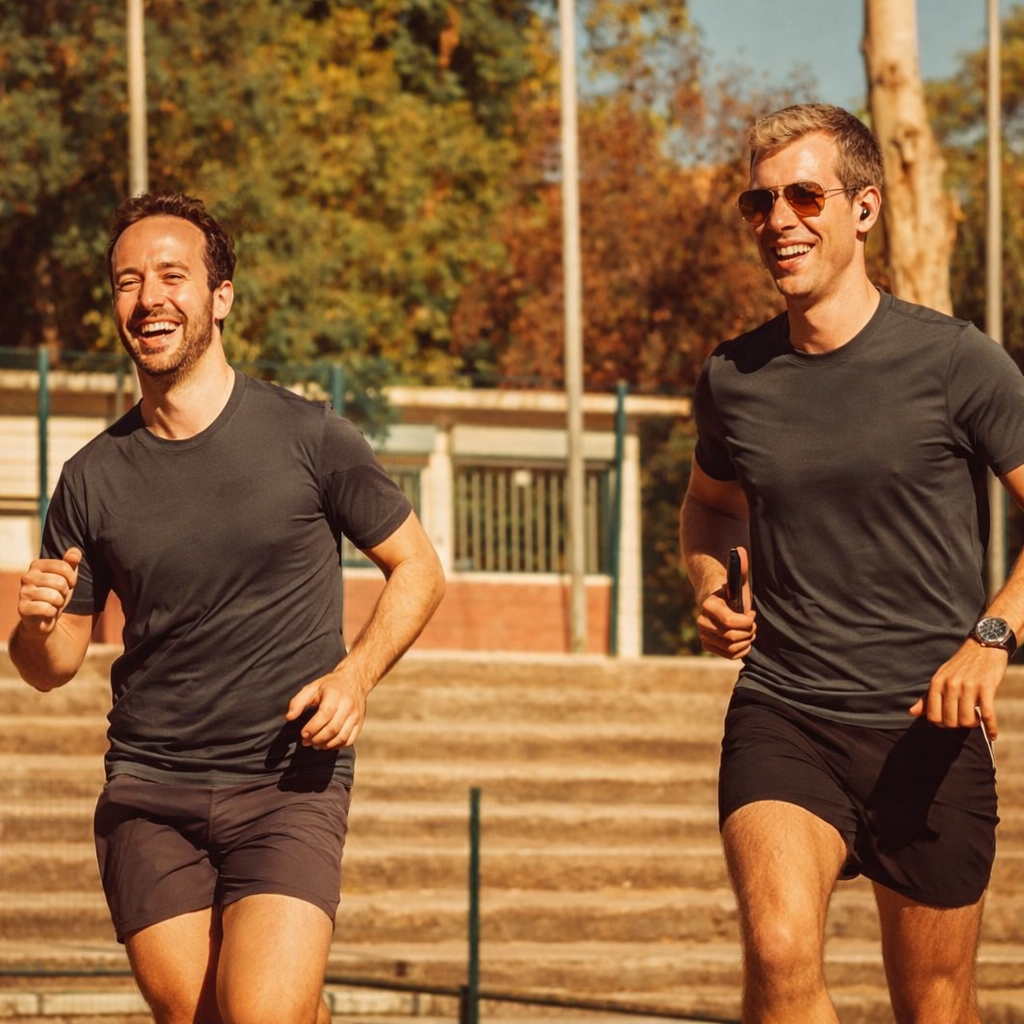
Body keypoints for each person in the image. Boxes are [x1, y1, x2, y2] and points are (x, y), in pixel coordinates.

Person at [9, 191, 446, 1024]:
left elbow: (418, 569)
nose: (149, 298)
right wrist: (31, 626)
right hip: (150, 788)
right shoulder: (91, 478)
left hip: (286, 781)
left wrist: (354, 679)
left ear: (220, 296)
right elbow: (52, 667)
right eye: (128, 281)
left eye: (173, 275)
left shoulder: (311, 438)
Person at [679, 103, 1024, 1024]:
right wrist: (711, 587)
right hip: (785, 709)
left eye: (803, 195)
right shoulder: (731, 377)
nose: (778, 220)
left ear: (863, 209)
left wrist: (992, 637)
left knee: (936, 1003)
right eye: (759, 202)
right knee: (780, 952)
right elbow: (709, 507)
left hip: (928, 727)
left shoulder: (958, 364)